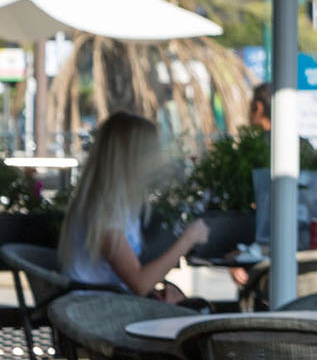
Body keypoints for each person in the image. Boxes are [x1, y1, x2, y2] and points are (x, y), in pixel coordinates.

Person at [59, 113, 207, 303]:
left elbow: (133, 280)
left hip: (108, 308)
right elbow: (139, 283)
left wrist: (156, 292)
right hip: (93, 318)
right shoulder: (104, 210)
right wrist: (188, 239)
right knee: (197, 312)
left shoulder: (120, 203)